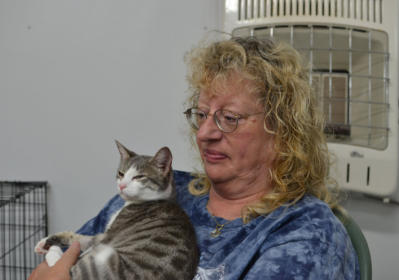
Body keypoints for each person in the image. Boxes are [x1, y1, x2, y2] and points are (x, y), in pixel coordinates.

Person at [29, 36, 360, 279]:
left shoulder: (306, 232)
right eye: (202, 115)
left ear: (284, 132)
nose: (204, 133)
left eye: (229, 118)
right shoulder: (160, 192)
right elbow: (53, 268)